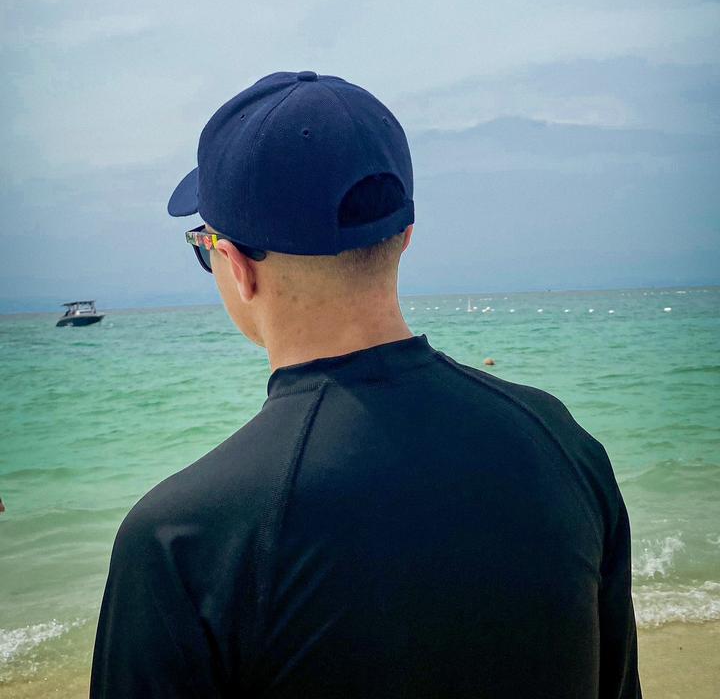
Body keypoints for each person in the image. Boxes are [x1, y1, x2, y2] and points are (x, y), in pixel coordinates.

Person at [90, 70, 641, 698]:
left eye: (204, 245)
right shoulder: (565, 448)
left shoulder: (178, 540)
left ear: (236, 266)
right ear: (404, 237)